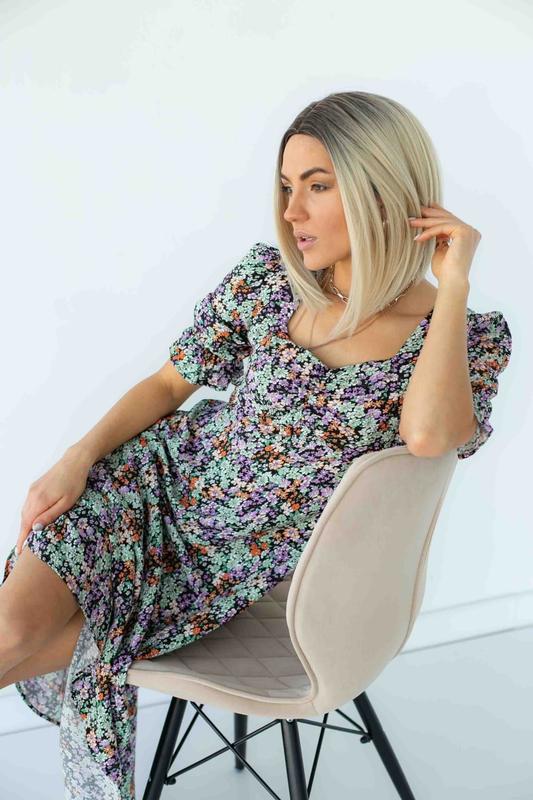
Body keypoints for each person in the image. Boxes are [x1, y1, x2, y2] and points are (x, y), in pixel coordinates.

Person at [0, 91, 512, 799]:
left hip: (223, 568)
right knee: (11, 629)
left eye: (317, 186)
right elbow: (168, 384)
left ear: (381, 190)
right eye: (285, 187)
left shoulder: (465, 336)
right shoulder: (266, 280)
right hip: (145, 489)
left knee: (56, 645)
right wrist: (74, 460)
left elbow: (429, 436)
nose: (290, 211)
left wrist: (452, 284)